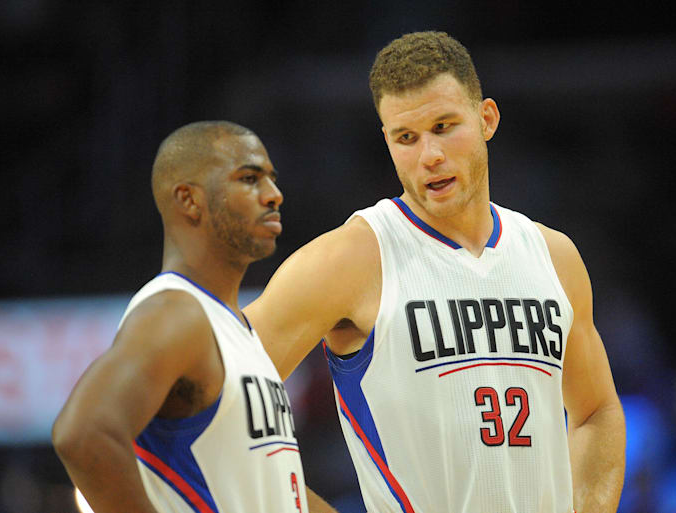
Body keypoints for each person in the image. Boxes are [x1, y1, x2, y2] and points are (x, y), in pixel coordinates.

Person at [245, 32, 626, 513]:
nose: (429, 156)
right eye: (407, 137)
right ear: (387, 141)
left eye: (444, 126)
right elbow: (217, 405)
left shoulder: (554, 256)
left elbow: (597, 411)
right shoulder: (349, 259)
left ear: (486, 118)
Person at [52, 121, 333, 513]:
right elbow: (82, 434)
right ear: (189, 200)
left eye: (272, 179)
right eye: (250, 178)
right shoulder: (176, 312)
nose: (274, 195)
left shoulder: (237, 329)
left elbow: (272, 487)